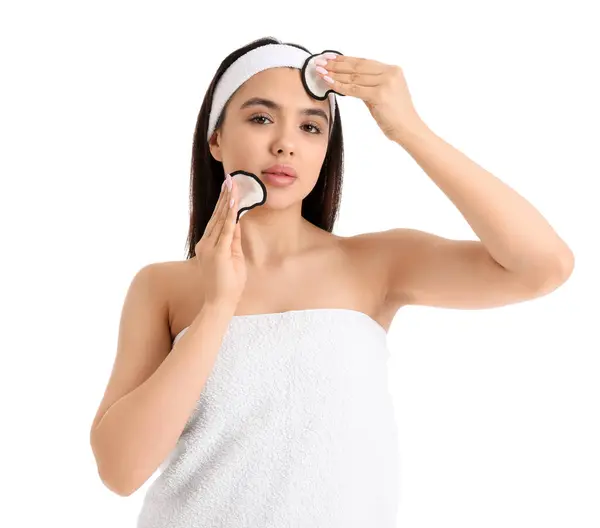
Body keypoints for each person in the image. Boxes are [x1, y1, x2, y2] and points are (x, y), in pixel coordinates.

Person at [89, 36, 574, 527]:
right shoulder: (163, 287)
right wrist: (217, 306)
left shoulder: (374, 264)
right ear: (216, 139)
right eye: (261, 118)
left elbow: (542, 266)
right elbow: (121, 471)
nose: (286, 142)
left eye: (310, 126)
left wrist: (408, 129)